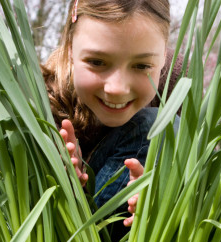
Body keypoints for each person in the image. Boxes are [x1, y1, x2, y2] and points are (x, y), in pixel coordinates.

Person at [41, 0, 182, 227]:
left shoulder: (177, 84)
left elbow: (206, 171)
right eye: (97, 62)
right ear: (70, 49)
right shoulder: (46, 98)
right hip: (74, 231)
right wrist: (62, 184)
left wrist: (167, 200)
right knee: (154, 126)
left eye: (141, 66)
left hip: (145, 236)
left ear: (164, 55)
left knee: (166, 128)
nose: (116, 88)